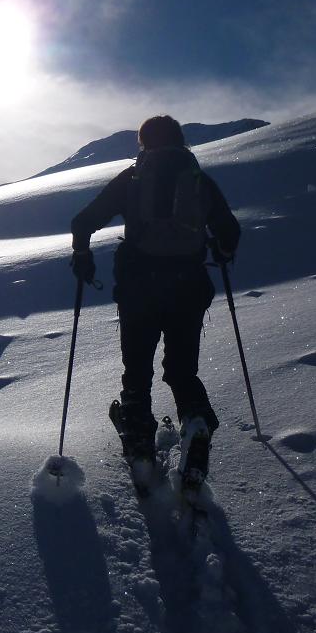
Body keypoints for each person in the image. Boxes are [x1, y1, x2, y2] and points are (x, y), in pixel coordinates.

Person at [69, 114, 240, 486]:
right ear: (180, 141)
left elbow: (83, 221)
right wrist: (221, 250)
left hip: (138, 290)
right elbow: (229, 229)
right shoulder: (197, 179)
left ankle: (140, 448)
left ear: (144, 143)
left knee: (137, 374)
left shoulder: (133, 178)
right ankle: (194, 422)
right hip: (189, 289)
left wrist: (82, 257)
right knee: (181, 371)